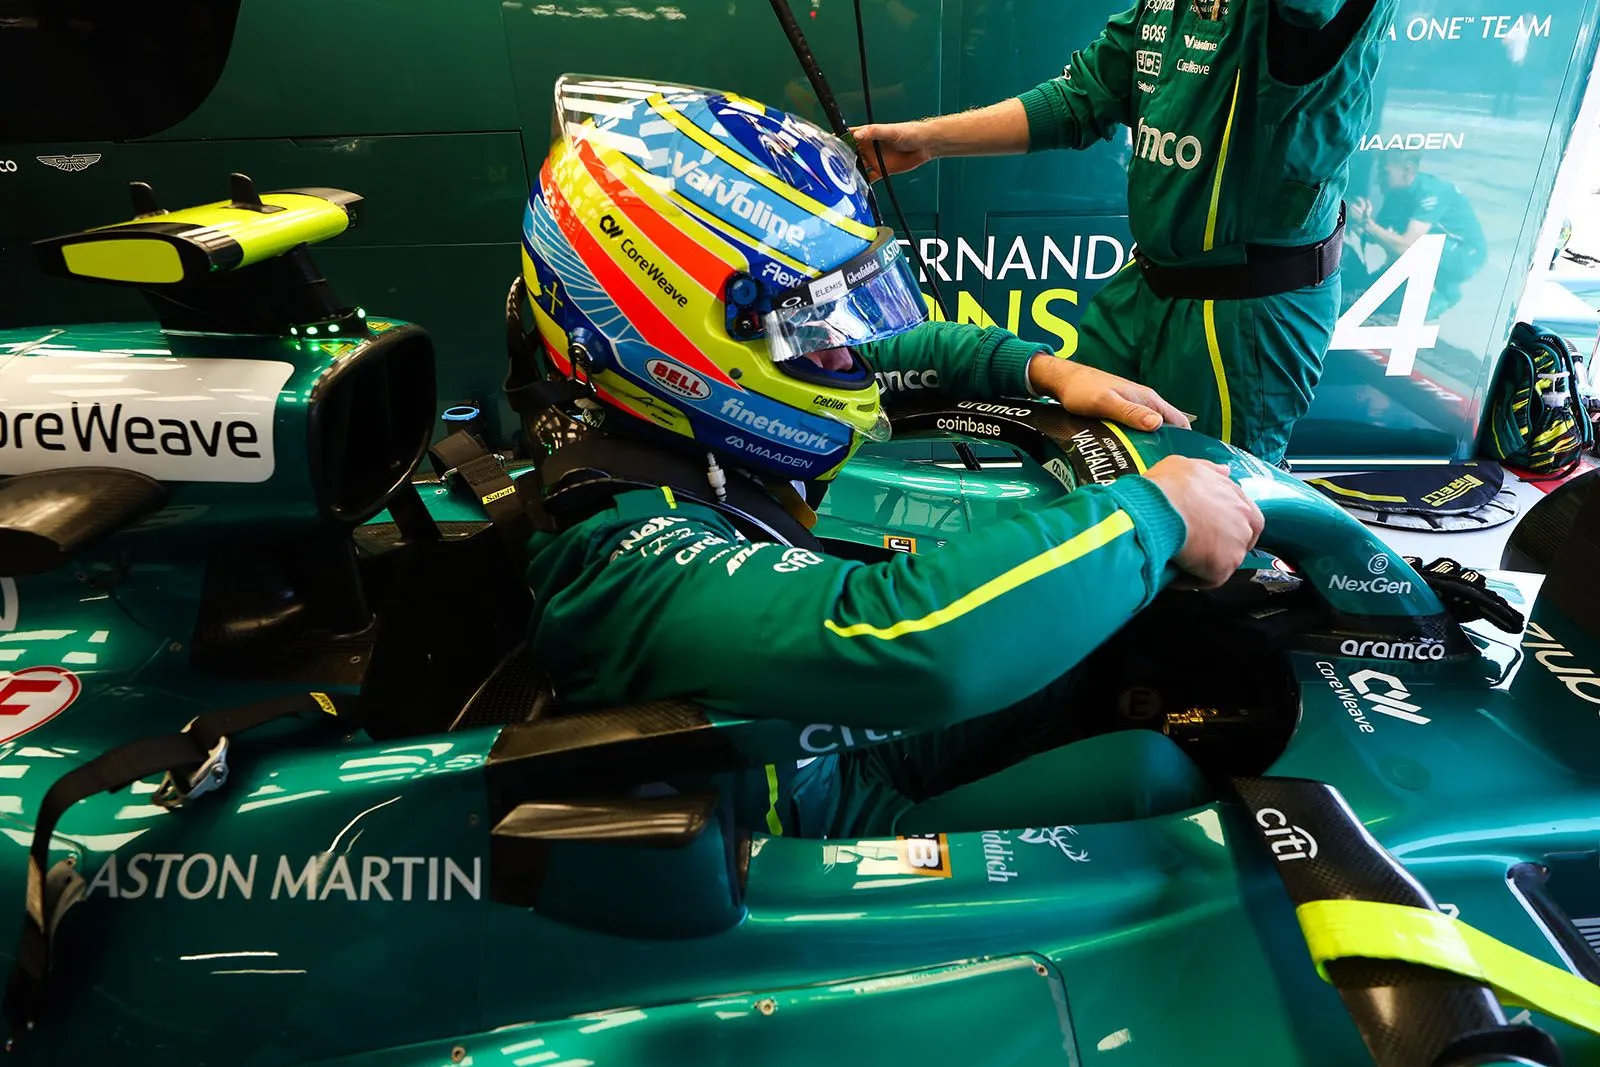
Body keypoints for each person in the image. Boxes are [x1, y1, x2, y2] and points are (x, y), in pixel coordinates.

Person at [519, 78, 1262, 840]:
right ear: (679, 337)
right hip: (812, 831)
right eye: (809, 325)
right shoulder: (624, 562)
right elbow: (908, 638)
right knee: (1151, 781)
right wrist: (1154, 515)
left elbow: (894, 353)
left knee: (1097, 653)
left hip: (822, 740)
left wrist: (1042, 370)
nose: (842, 351)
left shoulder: (656, 421)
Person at [851, 0, 1398, 465]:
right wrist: (927, 141)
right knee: (1081, 466)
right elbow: (1081, 98)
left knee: (1209, 515)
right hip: (1147, 285)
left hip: (1242, 311)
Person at [1348, 151, 1486, 317]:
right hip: (1437, 248)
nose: (1378, 180)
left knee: (1420, 244)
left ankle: (1442, 294)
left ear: (1407, 170)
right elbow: (1381, 236)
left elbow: (1406, 247)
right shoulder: (1396, 195)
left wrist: (1367, 224)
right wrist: (1355, 220)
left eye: (1384, 173)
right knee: (1397, 240)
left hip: (1467, 253)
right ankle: (1440, 289)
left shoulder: (1431, 191)